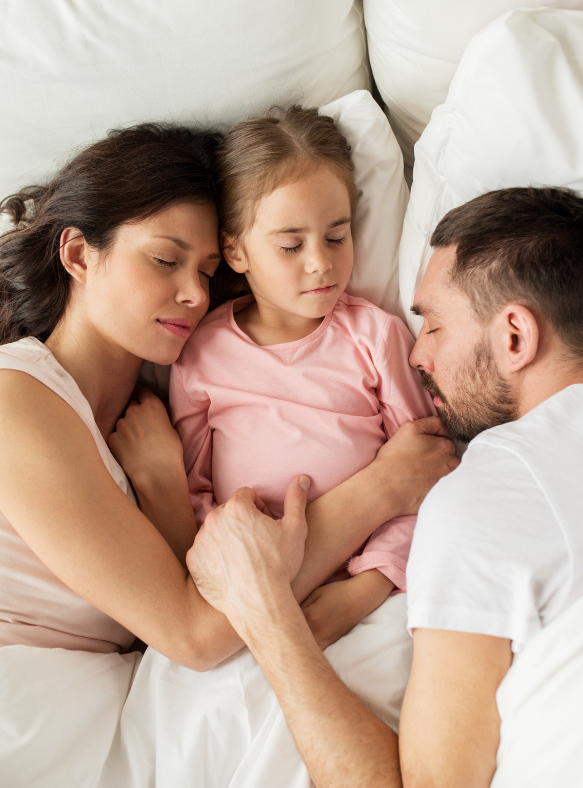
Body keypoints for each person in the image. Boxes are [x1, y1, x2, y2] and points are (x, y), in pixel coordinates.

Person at [186, 187, 583, 786]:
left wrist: (265, 610)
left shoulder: (496, 490)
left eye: (433, 325)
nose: (416, 355)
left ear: (515, 337)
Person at [0, 124, 455, 670]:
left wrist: (164, 485)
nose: (195, 295)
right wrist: (384, 486)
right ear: (79, 255)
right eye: (165, 260)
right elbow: (196, 634)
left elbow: (189, 587)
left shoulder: (143, 418)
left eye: (207, 271)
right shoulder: (5, 400)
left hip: (91, 698)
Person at [170, 106, 437, 648]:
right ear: (236, 251)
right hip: (247, 589)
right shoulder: (200, 354)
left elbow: (427, 468)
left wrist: (367, 586)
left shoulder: (374, 336)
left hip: (378, 588)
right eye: (291, 246)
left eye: (337, 237)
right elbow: (195, 494)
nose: (320, 263)